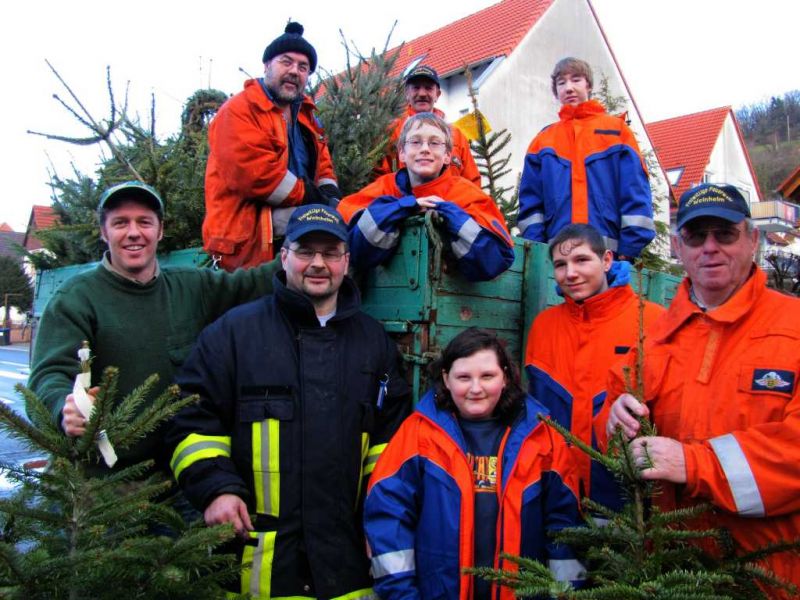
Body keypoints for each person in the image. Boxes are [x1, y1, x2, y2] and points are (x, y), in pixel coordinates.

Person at [167, 204, 411, 599]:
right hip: (256, 568)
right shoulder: (233, 334)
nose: (318, 263)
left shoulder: (373, 343)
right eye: (305, 251)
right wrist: (217, 489)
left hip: (347, 570)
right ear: (284, 258)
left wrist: (382, 518)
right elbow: (190, 421)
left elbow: (391, 443)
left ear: (346, 261)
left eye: (330, 253)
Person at [599, 183, 800, 596]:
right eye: (695, 236)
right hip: (671, 573)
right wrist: (612, 419)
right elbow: (610, 425)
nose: (710, 247)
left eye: (724, 234)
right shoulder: (656, 336)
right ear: (678, 247)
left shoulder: (793, 327)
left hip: (767, 578)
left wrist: (694, 464)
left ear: (753, 240)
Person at [28, 180, 280, 470]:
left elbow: (253, 284)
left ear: (160, 231)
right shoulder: (76, 299)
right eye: (120, 222)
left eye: (144, 222)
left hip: (178, 475)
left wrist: (306, 246)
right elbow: (48, 375)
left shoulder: (191, 287)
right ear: (104, 232)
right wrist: (64, 408)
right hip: (101, 483)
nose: (133, 232)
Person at [364, 328, 584, 600]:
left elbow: (565, 527)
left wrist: (565, 595)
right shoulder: (418, 434)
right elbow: (388, 518)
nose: (476, 388)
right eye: (464, 377)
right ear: (446, 378)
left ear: (505, 377)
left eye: (487, 376)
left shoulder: (542, 437)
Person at [525, 223, 664, 512]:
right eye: (560, 264)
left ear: (607, 260)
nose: (570, 273)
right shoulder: (544, 326)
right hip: (556, 495)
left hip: (625, 503)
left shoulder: (651, 321)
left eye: (581, 260)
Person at [203, 22, 341, 271]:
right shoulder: (238, 111)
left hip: (291, 230)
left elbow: (323, 163)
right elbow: (255, 175)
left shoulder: (307, 116)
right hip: (247, 240)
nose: (294, 71)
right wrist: (311, 197)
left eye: (303, 67)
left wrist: (330, 195)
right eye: (286, 62)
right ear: (267, 65)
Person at [338, 112, 514, 281]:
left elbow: (496, 260)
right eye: (415, 142)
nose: (424, 149)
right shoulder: (386, 187)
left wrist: (446, 212)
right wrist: (405, 207)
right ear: (402, 153)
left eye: (434, 143)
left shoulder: (466, 193)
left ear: (447, 156)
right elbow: (353, 245)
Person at [517, 57, 655, 259]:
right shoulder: (542, 141)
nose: (569, 88)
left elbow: (635, 192)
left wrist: (627, 254)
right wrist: (539, 252)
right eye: (561, 83)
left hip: (609, 259)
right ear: (556, 91)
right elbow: (531, 205)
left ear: (588, 85)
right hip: (558, 262)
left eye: (576, 80)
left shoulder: (617, 132)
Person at [374, 65, 481, 187]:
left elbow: (472, 181)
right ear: (406, 93)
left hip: (450, 199)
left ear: (437, 94)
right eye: (416, 88)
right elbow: (379, 178)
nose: (422, 93)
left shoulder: (456, 135)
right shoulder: (391, 132)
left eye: (428, 88)